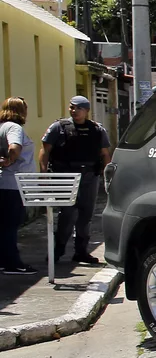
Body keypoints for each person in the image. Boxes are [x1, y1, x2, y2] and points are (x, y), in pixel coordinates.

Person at [40, 95, 110, 266]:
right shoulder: (59, 127)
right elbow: (45, 151)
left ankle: (81, 251)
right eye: (72, 107)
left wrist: (107, 175)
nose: (74, 111)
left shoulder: (97, 129)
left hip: (89, 177)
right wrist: (43, 174)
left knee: (86, 215)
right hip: (65, 175)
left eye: (78, 108)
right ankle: (58, 250)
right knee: (67, 214)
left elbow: (105, 153)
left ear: (86, 111)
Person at [0, 97, 33, 274]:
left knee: (4, 225)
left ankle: (4, 260)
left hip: (4, 183)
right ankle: (12, 263)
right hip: (13, 183)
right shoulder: (14, 127)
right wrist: (8, 161)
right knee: (11, 225)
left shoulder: (1, 127)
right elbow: (14, 147)